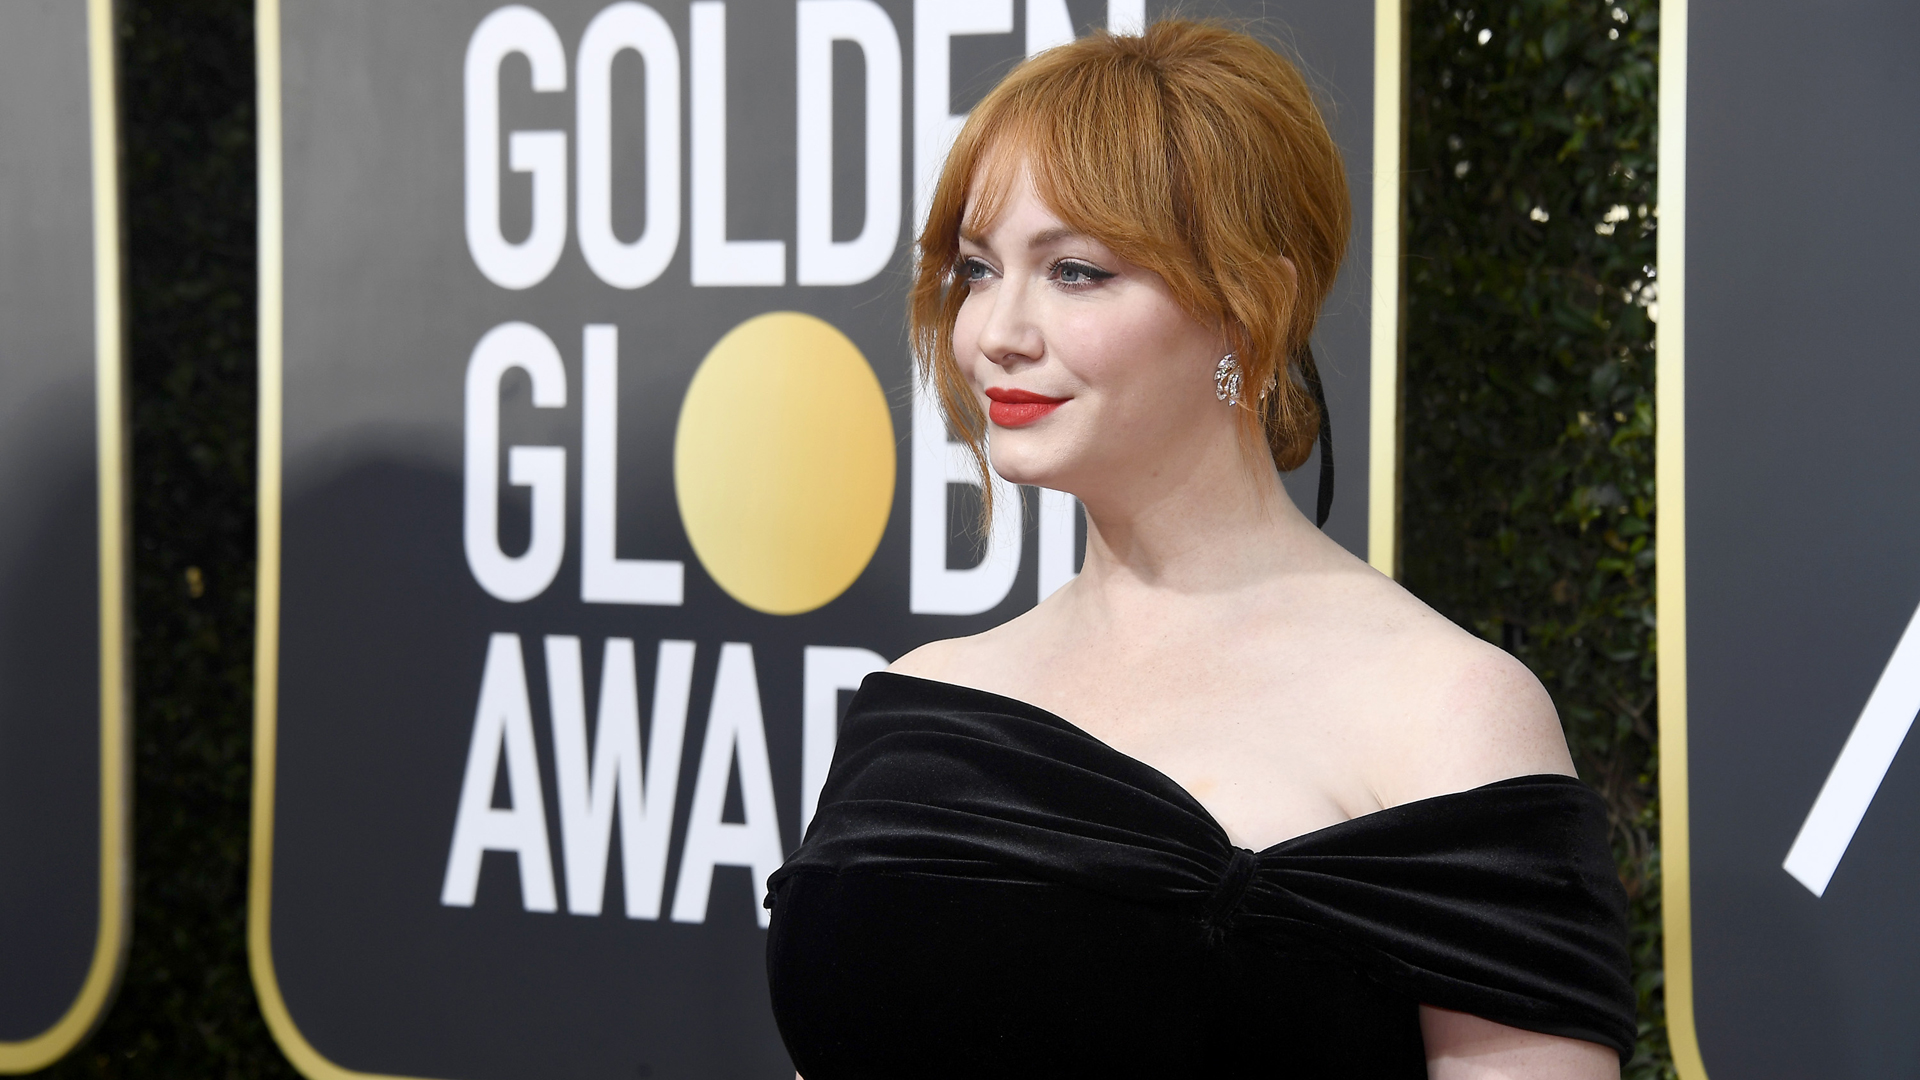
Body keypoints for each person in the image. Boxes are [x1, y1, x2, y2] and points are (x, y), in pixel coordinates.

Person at [765, 19, 1634, 1079]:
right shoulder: (922, 702)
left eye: (1076, 271)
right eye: (979, 269)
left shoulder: (1446, 712)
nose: (998, 330)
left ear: (1248, 309)